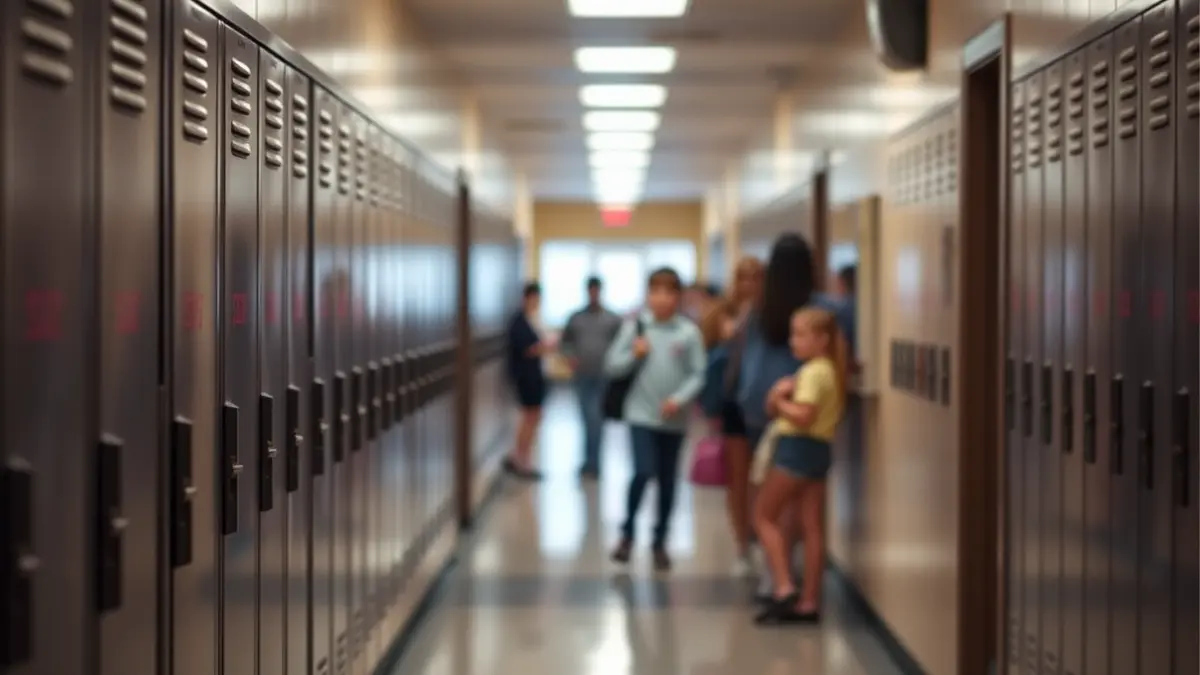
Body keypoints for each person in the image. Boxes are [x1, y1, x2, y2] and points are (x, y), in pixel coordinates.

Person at [731, 235, 851, 596]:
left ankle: (777, 576)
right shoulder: (827, 309)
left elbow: (745, 362)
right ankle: (797, 580)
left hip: (764, 414)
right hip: (810, 424)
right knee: (803, 510)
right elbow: (844, 356)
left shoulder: (761, 309)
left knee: (766, 500)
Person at [604, 267, 707, 571]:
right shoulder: (635, 327)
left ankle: (660, 540)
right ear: (647, 295)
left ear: (678, 296)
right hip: (640, 414)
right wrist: (634, 354)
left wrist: (679, 399)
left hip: (673, 420)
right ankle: (626, 534)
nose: (661, 299)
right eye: (655, 292)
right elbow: (611, 366)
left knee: (667, 481)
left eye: (669, 292)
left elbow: (698, 374)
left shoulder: (688, 333)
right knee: (643, 471)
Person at [752, 307, 847, 624]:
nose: (794, 341)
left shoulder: (812, 372)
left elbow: (803, 416)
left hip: (797, 450)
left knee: (763, 515)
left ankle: (783, 586)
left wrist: (779, 401)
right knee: (811, 526)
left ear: (821, 340)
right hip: (820, 451)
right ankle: (809, 602)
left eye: (801, 334)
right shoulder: (829, 370)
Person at [717, 256, 765, 575]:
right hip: (733, 402)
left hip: (761, 403)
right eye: (742, 278)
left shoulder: (771, 315)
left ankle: (762, 538)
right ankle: (741, 546)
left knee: (761, 478)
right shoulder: (725, 311)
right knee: (737, 478)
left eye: (754, 278)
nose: (748, 284)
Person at [559, 276, 622, 480]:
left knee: (596, 419)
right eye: (591, 290)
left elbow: (622, 344)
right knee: (587, 419)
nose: (594, 294)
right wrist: (569, 357)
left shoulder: (612, 319)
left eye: (597, 290)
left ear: (600, 291)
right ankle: (589, 461)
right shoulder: (575, 318)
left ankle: (593, 463)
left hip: (603, 377)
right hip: (582, 376)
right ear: (587, 291)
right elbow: (565, 343)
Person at [504, 282, 550, 480]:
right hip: (526, 377)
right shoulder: (519, 321)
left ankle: (520, 456)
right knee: (530, 416)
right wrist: (547, 346)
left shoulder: (532, 319)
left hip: (535, 375)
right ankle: (520, 459)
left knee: (533, 416)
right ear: (526, 298)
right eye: (534, 298)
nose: (536, 302)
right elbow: (529, 349)